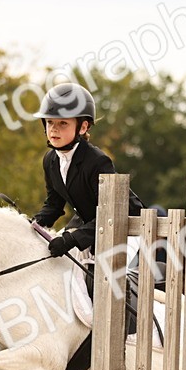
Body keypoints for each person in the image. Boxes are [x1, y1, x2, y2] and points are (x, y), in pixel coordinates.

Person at [31, 83, 144, 258]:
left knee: (100, 276)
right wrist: (31, 224)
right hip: (89, 225)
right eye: (50, 122)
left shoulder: (97, 161)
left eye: (63, 123)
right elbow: (54, 204)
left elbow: (110, 214)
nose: (53, 128)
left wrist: (71, 239)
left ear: (83, 127)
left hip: (125, 227)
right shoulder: (50, 160)